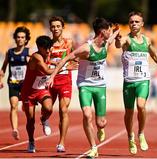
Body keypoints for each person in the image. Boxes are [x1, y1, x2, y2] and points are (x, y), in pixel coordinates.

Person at [47, 17, 120, 158]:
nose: (110, 33)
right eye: (109, 31)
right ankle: (93, 147)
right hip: (85, 85)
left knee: (102, 123)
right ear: (102, 31)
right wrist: (52, 76)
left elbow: (112, 39)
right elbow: (65, 59)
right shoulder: (86, 48)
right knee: (87, 115)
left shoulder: (106, 43)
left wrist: (117, 32)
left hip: (100, 86)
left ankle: (100, 128)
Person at [115, 11, 157, 154]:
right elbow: (118, 45)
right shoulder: (127, 40)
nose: (134, 24)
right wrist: (117, 39)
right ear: (129, 24)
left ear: (142, 24)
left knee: (141, 106)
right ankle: (130, 137)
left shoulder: (146, 40)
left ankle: (141, 133)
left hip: (143, 80)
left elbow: (154, 55)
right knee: (129, 112)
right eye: (131, 22)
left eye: (136, 21)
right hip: (129, 82)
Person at [21, 35, 55, 153]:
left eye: (48, 48)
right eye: (44, 48)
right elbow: (47, 71)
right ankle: (31, 141)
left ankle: (44, 118)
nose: (47, 50)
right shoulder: (36, 57)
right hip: (28, 92)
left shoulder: (49, 54)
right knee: (30, 119)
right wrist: (63, 67)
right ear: (39, 47)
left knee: (49, 108)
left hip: (41, 89)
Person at [47, 16, 75, 152]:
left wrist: (75, 64)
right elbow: (44, 61)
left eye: (58, 26)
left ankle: (61, 142)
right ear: (50, 28)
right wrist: (54, 64)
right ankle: (44, 119)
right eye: (53, 26)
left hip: (65, 81)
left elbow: (75, 56)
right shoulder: (47, 44)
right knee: (47, 109)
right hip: (51, 80)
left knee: (63, 110)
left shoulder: (69, 42)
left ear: (63, 27)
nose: (55, 28)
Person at [0, 26, 31, 140]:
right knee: (13, 106)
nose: (20, 39)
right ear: (15, 38)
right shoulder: (10, 52)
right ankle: (15, 129)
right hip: (13, 83)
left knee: (28, 108)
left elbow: (34, 67)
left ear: (26, 39)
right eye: (18, 37)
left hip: (25, 85)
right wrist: (0, 80)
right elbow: (3, 68)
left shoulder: (29, 52)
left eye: (22, 37)